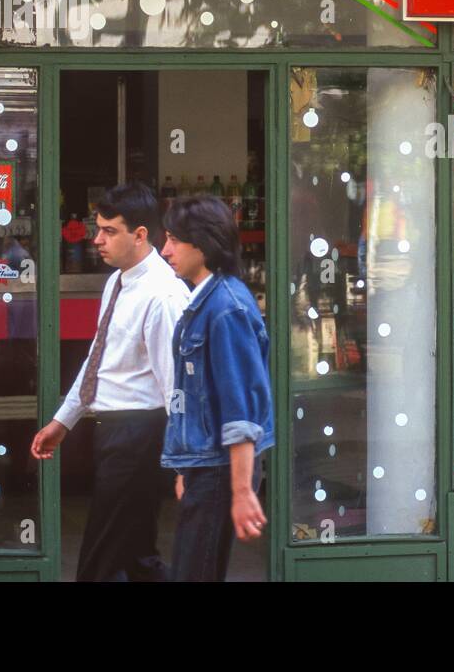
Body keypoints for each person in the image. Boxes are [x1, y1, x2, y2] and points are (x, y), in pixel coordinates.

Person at [30, 183, 189, 582]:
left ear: (140, 235)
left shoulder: (163, 295)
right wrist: (62, 421)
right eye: (97, 228)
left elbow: (178, 387)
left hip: (139, 435)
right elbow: (99, 359)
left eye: (109, 231)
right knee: (138, 558)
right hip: (117, 433)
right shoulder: (118, 281)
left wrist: (187, 462)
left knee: (98, 563)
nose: (97, 239)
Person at [159, 195, 274, 582]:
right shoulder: (207, 300)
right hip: (205, 466)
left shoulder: (225, 308)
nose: (165, 249)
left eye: (174, 239)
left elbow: (239, 408)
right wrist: (184, 467)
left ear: (204, 244)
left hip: (218, 471)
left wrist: (242, 491)